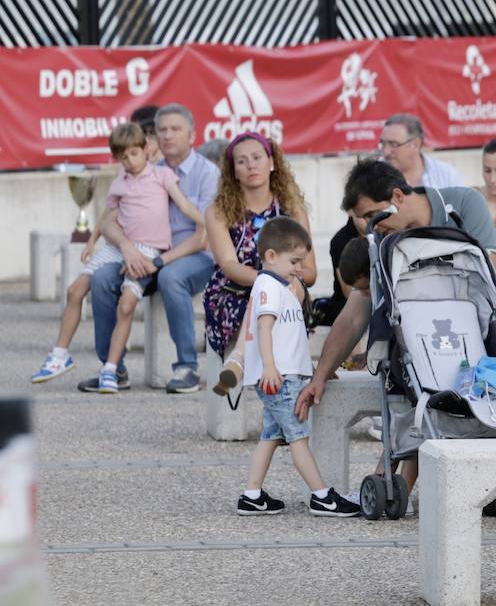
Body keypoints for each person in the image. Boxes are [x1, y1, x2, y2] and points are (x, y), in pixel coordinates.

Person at [297, 159, 496, 518]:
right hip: (418, 327)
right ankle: (391, 484)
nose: (368, 226)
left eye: (371, 215)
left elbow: (484, 268)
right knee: (417, 371)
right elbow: (355, 311)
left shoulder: (462, 204)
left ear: (397, 196)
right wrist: (320, 375)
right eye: (360, 219)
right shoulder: (380, 241)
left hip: (487, 315)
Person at [32, 121, 205, 393]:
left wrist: (206, 224)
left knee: (126, 304)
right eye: (123, 157)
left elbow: (183, 203)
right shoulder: (119, 184)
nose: (130, 161)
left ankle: (111, 370)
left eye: (134, 154)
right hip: (116, 249)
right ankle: (59, 355)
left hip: (149, 250)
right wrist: (91, 241)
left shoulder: (162, 177)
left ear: (146, 149)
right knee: (75, 290)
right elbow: (108, 215)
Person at [79, 104, 220, 393]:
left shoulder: (208, 174)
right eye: (161, 130)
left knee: (172, 277)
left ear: (192, 136)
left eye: (175, 129)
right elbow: (109, 222)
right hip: (142, 255)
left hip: (193, 257)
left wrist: (158, 261)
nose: (167, 136)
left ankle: (186, 368)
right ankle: (112, 369)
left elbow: (203, 236)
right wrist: (128, 248)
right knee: (103, 278)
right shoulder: (143, 171)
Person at [235, 216, 359, 518]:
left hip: (283, 376)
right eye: (294, 261)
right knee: (299, 438)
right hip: (279, 378)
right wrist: (269, 367)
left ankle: (252, 494)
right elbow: (264, 328)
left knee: (271, 435)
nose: (299, 269)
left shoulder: (279, 285)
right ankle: (322, 495)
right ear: (271, 257)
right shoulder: (267, 286)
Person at [204, 132, 317, 396]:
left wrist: (277, 281)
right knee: (267, 293)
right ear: (233, 171)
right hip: (234, 291)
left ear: (272, 162)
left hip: (288, 288)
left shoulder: (292, 208)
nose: (251, 165)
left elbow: (309, 271)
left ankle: (240, 358)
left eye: (257, 158)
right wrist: (267, 280)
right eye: (242, 161)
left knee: (287, 290)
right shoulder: (218, 211)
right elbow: (229, 265)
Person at [379, 113, 463, 189]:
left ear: (416, 144)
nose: (386, 151)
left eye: (394, 144)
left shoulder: (446, 174)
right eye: (383, 144)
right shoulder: (374, 177)